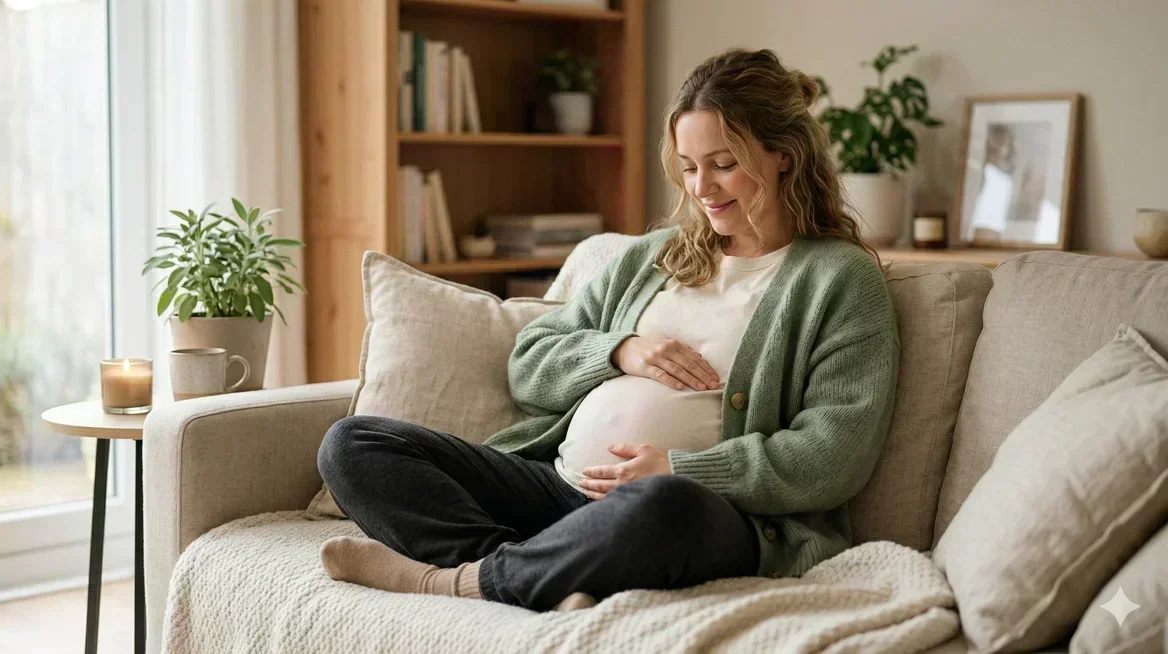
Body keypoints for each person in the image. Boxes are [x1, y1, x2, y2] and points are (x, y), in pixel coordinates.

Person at [316, 47, 900, 613]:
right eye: (689, 167)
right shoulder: (651, 258)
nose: (702, 187)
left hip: (704, 512)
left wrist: (680, 468)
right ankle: (524, 570)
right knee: (352, 445)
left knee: (662, 506)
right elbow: (529, 365)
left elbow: (833, 456)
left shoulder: (838, 279)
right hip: (560, 490)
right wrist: (619, 350)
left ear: (785, 155)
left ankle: (457, 583)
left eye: (724, 164)